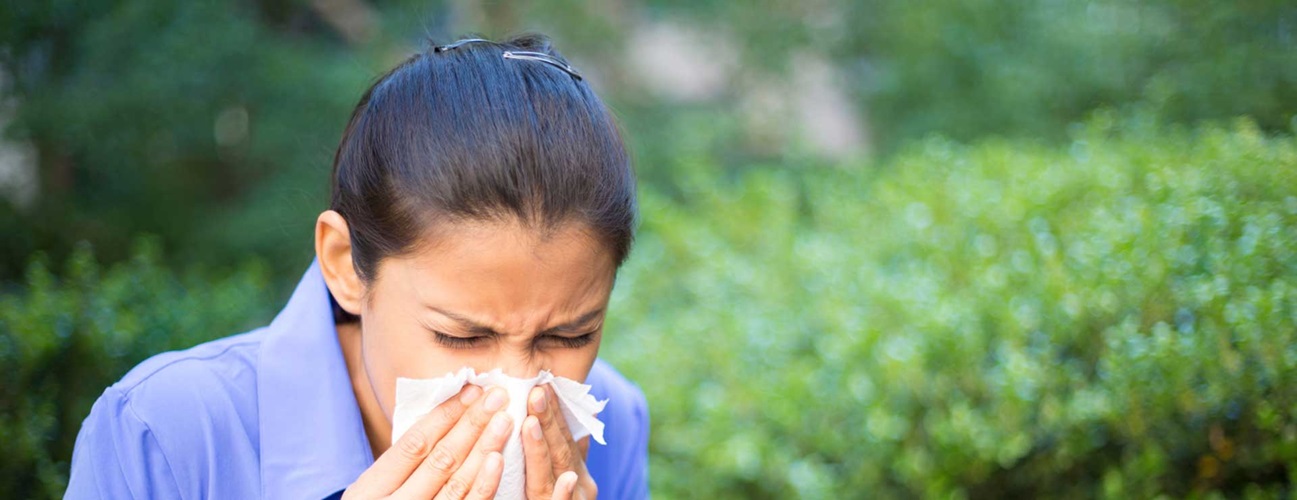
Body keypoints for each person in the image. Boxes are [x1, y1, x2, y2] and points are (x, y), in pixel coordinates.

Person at [65, 33, 649, 499]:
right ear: (344, 265)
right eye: (462, 336)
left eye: (569, 334)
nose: (518, 389)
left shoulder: (609, 422)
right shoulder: (166, 435)